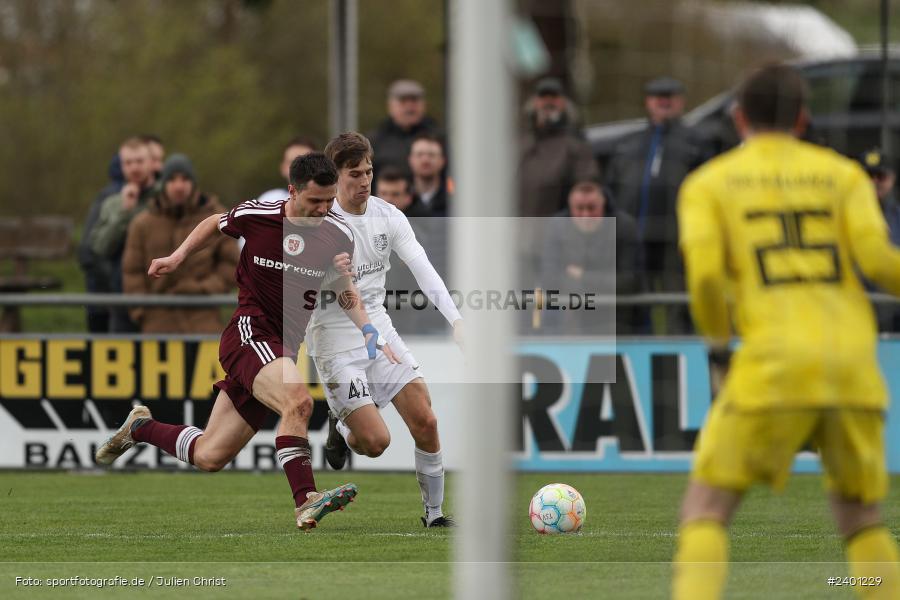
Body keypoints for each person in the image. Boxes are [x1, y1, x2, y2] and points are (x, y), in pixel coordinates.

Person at [672, 64, 900, 599]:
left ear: (737, 116)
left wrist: (718, 348)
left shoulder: (709, 183)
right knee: (861, 517)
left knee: (706, 508)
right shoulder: (842, 175)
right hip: (851, 364)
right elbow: (879, 261)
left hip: (773, 364)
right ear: (803, 118)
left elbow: (705, 277)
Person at [96, 153, 398, 531]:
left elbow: (342, 287)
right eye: (314, 201)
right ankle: (306, 499)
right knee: (299, 401)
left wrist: (368, 328)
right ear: (293, 191)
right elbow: (213, 223)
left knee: (210, 455)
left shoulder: (338, 233)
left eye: (329, 200)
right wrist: (177, 257)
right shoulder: (260, 216)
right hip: (250, 333)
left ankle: (139, 428)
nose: (323, 209)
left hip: (282, 349)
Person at [309, 132, 462, 527]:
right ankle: (342, 426)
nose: (364, 181)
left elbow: (423, 268)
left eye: (369, 171)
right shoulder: (321, 224)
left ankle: (434, 515)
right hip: (334, 339)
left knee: (425, 419)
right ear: (335, 176)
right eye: (355, 174)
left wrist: (457, 321)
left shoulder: (388, 216)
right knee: (375, 443)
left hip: (378, 326)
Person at [605, 76, 708, 334]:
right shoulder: (629, 143)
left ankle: (677, 359)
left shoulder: (697, 142)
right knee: (635, 303)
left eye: (669, 97)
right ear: (647, 102)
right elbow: (612, 186)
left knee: (678, 304)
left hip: (677, 238)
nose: (663, 102)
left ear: (681, 101)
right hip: (635, 237)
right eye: (657, 97)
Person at [122, 154, 238, 333]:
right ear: (164, 184)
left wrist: (202, 289)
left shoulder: (216, 218)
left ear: (193, 183)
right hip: (158, 323)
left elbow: (231, 265)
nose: (179, 186)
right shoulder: (143, 223)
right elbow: (132, 272)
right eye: (172, 180)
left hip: (204, 320)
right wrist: (141, 312)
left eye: (184, 179)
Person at [539, 181, 640, 335]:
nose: (586, 215)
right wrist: (604, 281)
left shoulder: (624, 227)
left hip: (617, 323)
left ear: (603, 205)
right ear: (570, 207)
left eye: (592, 208)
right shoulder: (557, 227)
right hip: (569, 324)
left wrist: (582, 276)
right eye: (579, 209)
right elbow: (549, 280)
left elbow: (630, 282)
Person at [89, 137, 158, 332]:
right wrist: (124, 213)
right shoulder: (112, 204)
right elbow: (99, 247)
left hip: (159, 296)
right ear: (121, 166)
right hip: (122, 296)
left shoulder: (164, 199)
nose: (134, 167)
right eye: (128, 162)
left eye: (139, 161)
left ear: (151, 163)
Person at [518, 77, 599, 218]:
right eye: (543, 97)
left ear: (563, 103)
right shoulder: (520, 141)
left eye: (554, 97)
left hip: (553, 233)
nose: (548, 102)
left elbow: (587, 190)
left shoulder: (576, 146)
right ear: (535, 102)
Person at [78, 153, 124, 333]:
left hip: (103, 297)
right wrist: (116, 283)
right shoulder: (111, 197)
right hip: (107, 298)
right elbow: (87, 252)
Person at [859, 148, 900, 333]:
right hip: (855, 317)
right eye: (867, 176)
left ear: (892, 179)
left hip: (894, 320)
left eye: (880, 176)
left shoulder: (898, 218)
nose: (874, 182)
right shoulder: (840, 217)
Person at [368, 79, 440, 180]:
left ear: (424, 105)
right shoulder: (375, 141)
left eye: (414, 101)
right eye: (403, 101)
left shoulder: (438, 137)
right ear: (390, 106)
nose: (409, 107)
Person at [257, 136, 318, 204]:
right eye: (293, 162)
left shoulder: (330, 204)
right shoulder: (267, 201)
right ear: (283, 168)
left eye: (306, 162)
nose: (299, 168)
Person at [408, 133, 451, 217]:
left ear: (443, 161)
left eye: (432, 155)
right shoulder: (399, 197)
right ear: (410, 160)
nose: (425, 160)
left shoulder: (454, 200)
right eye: (419, 155)